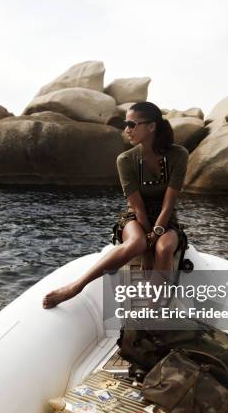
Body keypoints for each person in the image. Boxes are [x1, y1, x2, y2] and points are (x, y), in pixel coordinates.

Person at [42, 102, 189, 309]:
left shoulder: (179, 154)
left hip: (166, 219)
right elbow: (136, 206)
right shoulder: (125, 160)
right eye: (125, 124)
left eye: (132, 124)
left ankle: (153, 307)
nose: (126, 129)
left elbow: (169, 203)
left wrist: (156, 235)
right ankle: (76, 286)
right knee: (137, 244)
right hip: (136, 217)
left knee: (164, 249)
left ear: (151, 126)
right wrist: (147, 249)